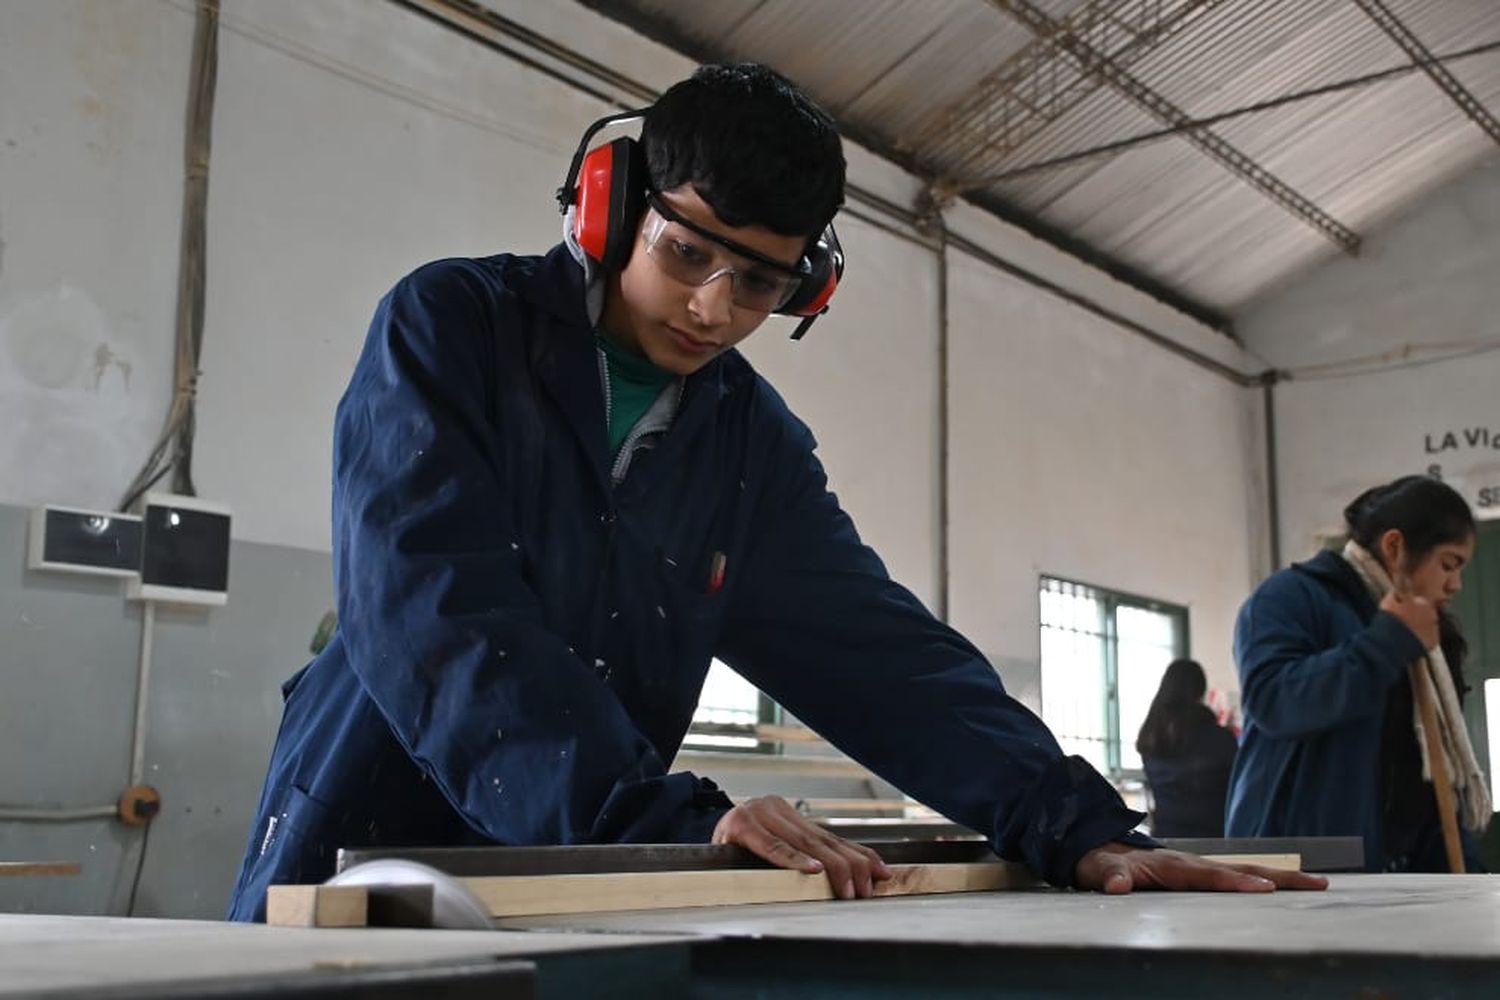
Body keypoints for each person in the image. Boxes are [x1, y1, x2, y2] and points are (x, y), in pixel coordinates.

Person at [226, 64, 1322, 920]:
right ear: (610, 209)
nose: (713, 309)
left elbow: (875, 654)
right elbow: (437, 612)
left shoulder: (746, 442)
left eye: (760, 281)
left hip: (585, 873)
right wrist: (650, 820)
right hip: (368, 836)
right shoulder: (453, 328)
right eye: (688, 254)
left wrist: (1073, 821)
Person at [1226, 475, 1489, 871]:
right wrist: (1387, 641)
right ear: (1395, 547)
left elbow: (1430, 777)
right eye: (1447, 564)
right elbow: (1273, 701)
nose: (1455, 584)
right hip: (1298, 869)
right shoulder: (1290, 596)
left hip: (1403, 869)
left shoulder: (1427, 635)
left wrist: (1466, 874)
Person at [1137, 659, 1237, 837]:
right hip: (1216, 841)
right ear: (1200, 692)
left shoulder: (1151, 738)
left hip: (1165, 842)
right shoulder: (1220, 739)